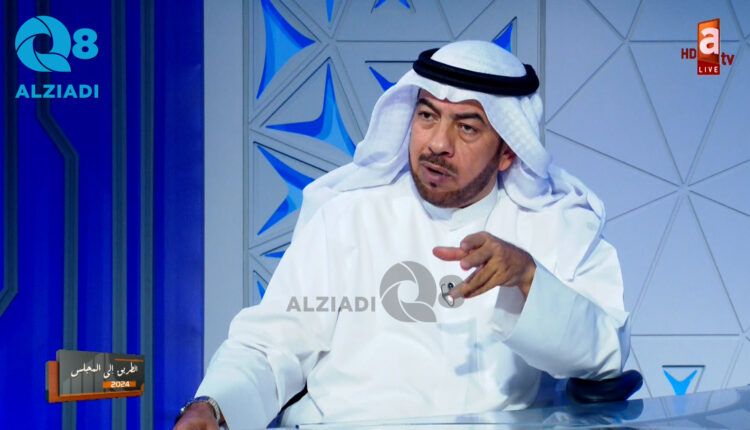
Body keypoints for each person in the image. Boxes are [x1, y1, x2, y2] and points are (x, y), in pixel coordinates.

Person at [174, 40, 630, 429]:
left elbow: (607, 354)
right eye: (427, 116)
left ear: (509, 151)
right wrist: (215, 406)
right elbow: (271, 345)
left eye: (466, 127)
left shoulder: (553, 225)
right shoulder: (348, 216)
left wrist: (528, 278)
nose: (437, 143)